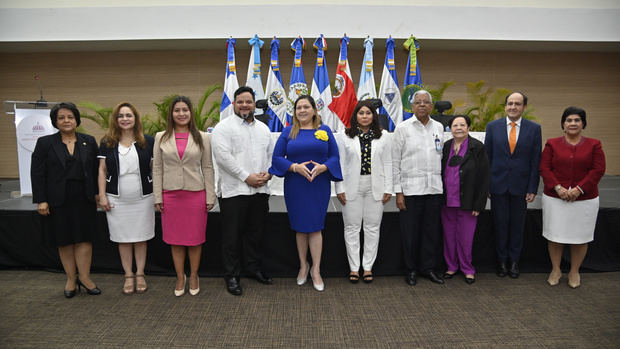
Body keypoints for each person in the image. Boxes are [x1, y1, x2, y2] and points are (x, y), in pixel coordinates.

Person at [269, 95, 342, 292]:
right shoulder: (288, 132)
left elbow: (335, 156)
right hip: (296, 185)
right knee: (300, 227)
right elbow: (276, 158)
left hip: (318, 184)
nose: (302, 110)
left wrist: (324, 167)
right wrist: (294, 167)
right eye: (298, 107)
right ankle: (303, 265)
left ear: (314, 110)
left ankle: (316, 270)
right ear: (295, 112)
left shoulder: (324, 131)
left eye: (306, 107)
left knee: (316, 227)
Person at [31, 102, 101, 298]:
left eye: (70, 117)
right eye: (61, 117)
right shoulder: (45, 143)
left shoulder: (89, 140)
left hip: (84, 197)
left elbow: (96, 171)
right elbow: (37, 173)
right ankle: (71, 279)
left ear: (76, 119)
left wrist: (97, 193)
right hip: (58, 200)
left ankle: (85, 278)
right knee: (64, 240)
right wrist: (41, 200)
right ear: (55, 121)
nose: (66, 121)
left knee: (84, 239)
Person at [211, 86, 274, 296]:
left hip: (259, 191)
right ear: (234, 104)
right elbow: (223, 158)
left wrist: (268, 174)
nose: (245, 105)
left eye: (248, 101)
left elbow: (271, 155)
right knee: (232, 237)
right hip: (234, 191)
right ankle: (232, 276)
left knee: (255, 234)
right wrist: (246, 176)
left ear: (254, 104)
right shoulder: (223, 127)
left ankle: (253, 269)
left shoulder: (263, 129)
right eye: (240, 102)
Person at [153, 96, 215, 297]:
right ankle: (180, 277)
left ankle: (194, 275)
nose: (181, 114)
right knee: (175, 240)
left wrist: (210, 196)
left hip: (195, 194)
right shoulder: (160, 137)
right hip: (170, 195)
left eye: (185, 110)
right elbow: (157, 168)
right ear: (171, 114)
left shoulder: (203, 137)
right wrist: (158, 197)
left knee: (195, 239)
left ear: (191, 113)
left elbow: (207, 167)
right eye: (177, 110)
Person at [539, 107, 605, 288]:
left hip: (585, 199)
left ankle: (574, 271)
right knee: (554, 235)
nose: (573, 123)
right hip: (555, 197)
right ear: (563, 124)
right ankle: (556, 269)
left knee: (580, 237)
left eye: (577, 120)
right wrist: (558, 188)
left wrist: (579, 189)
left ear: (583, 123)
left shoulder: (594, 144)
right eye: (569, 120)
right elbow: (544, 168)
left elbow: (598, 170)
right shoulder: (552, 143)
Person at [98, 102, 155, 295]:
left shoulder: (148, 141)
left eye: (128, 115)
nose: (125, 119)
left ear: (135, 118)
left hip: (143, 198)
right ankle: (128, 275)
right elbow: (102, 170)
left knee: (141, 238)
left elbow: (154, 170)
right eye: (121, 116)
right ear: (116, 119)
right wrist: (102, 195)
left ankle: (140, 273)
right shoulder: (107, 142)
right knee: (123, 238)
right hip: (117, 199)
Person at [484, 92, 541, 278]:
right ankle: (501, 262)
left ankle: (514, 262)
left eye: (517, 104)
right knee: (500, 225)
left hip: (521, 187)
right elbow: (487, 158)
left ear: (524, 107)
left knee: (517, 226)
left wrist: (532, 187)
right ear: (505, 106)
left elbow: (535, 160)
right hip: (497, 186)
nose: (513, 107)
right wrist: (487, 185)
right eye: (510, 103)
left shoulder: (534, 129)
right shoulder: (493, 127)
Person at [335, 100, 392, 284]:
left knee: (372, 228)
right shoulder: (345, 136)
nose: (365, 116)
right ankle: (354, 268)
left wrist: (389, 188)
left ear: (373, 116)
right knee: (351, 228)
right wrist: (339, 187)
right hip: (352, 185)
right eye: (361, 113)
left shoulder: (384, 136)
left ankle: (367, 267)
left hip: (376, 186)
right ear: (355, 116)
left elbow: (389, 163)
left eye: (368, 113)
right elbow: (341, 163)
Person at [392, 90, 445, 286]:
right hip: (410, 191)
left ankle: (428, 268)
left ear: (431, 106)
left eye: (426, 102)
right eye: (418, 102)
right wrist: (398, 192)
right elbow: (394, 162)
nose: (422, 105)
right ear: (412, 106)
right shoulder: (402, 128)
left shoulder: (439, 127)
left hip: (434, 190)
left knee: (431, 232)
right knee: (410, 234)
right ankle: (411, 269)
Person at [440, 115, 489, 284]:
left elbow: (484, 177)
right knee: (449, 236)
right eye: (455, 125)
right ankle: (451, 267)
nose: (458, 128)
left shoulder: (477, 147)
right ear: (450, 129)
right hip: (447, 201)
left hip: (468, 202)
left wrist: (479, 203)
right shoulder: (446, 146)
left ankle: (467, 269)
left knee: (466, 238)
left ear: (468, 127)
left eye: (462, 125)